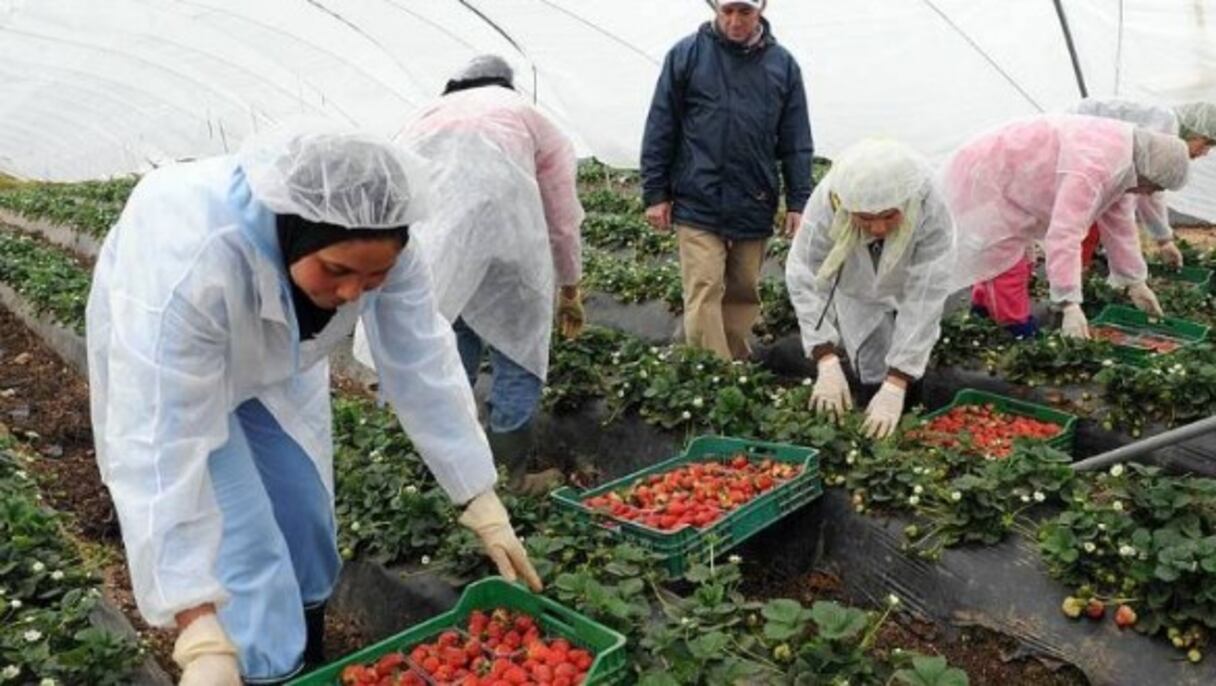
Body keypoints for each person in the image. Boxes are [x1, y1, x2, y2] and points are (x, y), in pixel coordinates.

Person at [86, 128, 542, 685]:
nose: (355, 292)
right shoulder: (192, 260)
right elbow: (159, 442)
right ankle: (265, 668)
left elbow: (423, 361)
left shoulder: (386, 248)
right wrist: (196, 624)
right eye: (337, 271)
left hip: (274, 364)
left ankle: (307, 652)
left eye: (373, 277)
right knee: (247, 548)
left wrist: (479, 495)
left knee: (305, 514)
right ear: (296, 234)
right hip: (179, 372)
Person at [354, 55, 584, 495]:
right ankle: (508, 475)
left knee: (449, 345)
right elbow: (562, 215)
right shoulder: (528, 116)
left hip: (442, 247)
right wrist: (570, 283)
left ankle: (448, 470)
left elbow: (390, 191)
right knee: (517, 351)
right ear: (506, 83)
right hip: (512, 245)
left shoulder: (421, 118)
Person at [640, 0, 814, 360]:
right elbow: (661, 126)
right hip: (697, 195)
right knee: (704, 285)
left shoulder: (782, 66)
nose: (735, 20)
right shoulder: (687, 55)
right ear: (716, 9)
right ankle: (714, 376)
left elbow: (796, 140)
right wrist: (656, 193)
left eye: (744, 12)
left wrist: (798, 201)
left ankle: (734, 362)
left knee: (743, 289)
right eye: (728, 11)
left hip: (755, 196)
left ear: (761, 11)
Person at [940, 115, 1191, 339]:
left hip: (1014, 178)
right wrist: (1069, 303)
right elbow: (1064, 234)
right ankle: (1014, 329)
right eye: (1154, 187)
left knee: (1016, 259)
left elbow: (1119, 225)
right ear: (1150, 173)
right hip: (989, 174)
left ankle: (982, 311)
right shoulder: (1094, 169)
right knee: (1004, 259)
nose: (1148, 193)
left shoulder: (1127, 164)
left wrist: (1135, 280)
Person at [786, 139, 956, 439]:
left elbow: (925, 296)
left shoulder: (929, 201)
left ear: (907, 201)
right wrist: (824, 356)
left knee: (906, 361)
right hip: (856, 284)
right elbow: (805, 274)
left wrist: (898, 382)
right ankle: (873, 427)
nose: (878, 228)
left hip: (909, 275)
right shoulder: (829, 200)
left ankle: (906, 411)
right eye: (865, 218)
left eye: (890, 215)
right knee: (869, 353)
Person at [1071, 99, 1216, 268]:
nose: (1205, 153)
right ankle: (1068, 278)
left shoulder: (1166, 130)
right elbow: (1148, 190)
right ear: (1194, 132)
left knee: (1094, 218)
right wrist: (1163, 239)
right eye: (1207, 144)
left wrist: (1163, 239)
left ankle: (1073, 273)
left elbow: (1150, 190)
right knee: (1085, 221)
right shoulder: (1164, 129)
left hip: (1087, 157)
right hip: (1077, 148)